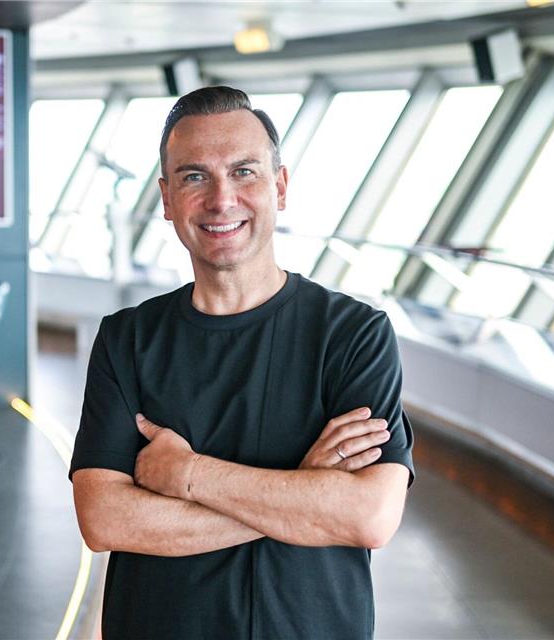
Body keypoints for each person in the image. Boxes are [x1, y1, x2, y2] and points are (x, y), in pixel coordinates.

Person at [70, 86, 414, 640]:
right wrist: (301, 494)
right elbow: (105, 520)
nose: (221, 199)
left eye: (244, 172)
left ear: (279, 186)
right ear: (165, 198)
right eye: (193, 177)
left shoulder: (353, 334)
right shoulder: (127, 339)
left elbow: (367, 516)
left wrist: (187, 476)